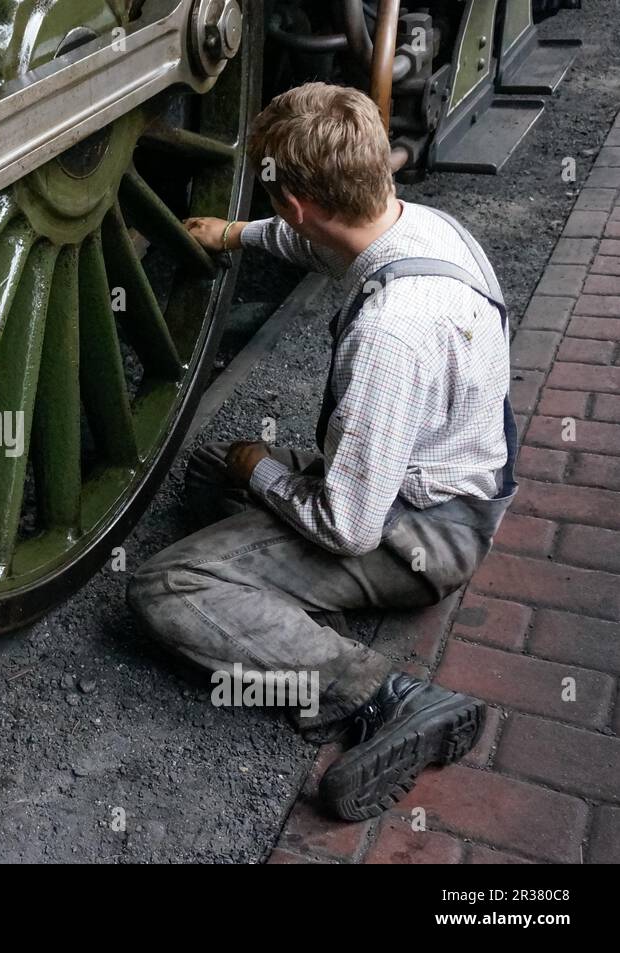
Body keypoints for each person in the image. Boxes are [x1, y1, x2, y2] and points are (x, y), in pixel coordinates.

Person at [127, 82, 518, 821]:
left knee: (164, 587)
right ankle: (282, 596)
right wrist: (235, 233)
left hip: (420, 535)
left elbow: (349, 528)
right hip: (452, 487)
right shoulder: (425, 229)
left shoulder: (391, 333)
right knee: (216, 471)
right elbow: (308, 241)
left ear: (298, 203)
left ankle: (381, 693)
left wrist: (261, 471)